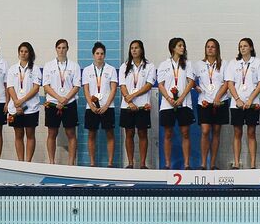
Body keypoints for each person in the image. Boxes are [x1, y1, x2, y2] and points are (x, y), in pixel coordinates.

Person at [158, 37, 196, 170]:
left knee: (185, 132)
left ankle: (186, 164)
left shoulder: (188, 64)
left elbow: (191, 82)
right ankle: (167, 164)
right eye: (179, 45)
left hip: (184, 103)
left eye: (183, 46)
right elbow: (161, 85)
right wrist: (169, 99)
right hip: (167, 104)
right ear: (173, 48)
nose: (182, 48)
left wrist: (181, 98)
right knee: (168, 133)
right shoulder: (164, 65)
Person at [228, 38, 260, 168]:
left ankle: (253, 163)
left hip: (252, 102)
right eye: (240, 46)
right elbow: (230, 83)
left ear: (251, 47)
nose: (242, 48)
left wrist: (250, 99)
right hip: (236, 103)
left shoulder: (258, 62)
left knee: (251, 132)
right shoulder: (233, 63)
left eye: (245, 46)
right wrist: (238, 99)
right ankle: (237, 163)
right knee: (237, 132)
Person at [41, 39, 80, 165]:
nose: (61, 50)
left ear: (67, 49)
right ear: (56, 49)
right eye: (59, 47)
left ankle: (70, 163)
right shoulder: (49, 65)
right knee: (52, 132)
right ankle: (51, 162)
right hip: (53, 103)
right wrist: (59, 98)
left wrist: (66, 99)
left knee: (71, 133)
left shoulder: (74, 66)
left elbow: (76, 85)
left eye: (64, 47)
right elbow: (46, 86)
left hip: (69, 103)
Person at [118, 40, 154, 169]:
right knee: (129, 133)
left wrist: (133, 96)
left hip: (142, 105)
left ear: (141, 50)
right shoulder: (124, 66)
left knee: (142, 133)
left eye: (136, 48)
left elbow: (148, 85)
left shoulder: (149, 66)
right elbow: (122, 85)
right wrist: (130, 101)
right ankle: (130, 163)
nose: (134, 50)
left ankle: (143, 164)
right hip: (127, 105)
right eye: (132, 48)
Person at [194, 38, 228, 170]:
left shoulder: (224, 64)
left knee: (216, 131)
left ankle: (213, 163)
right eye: (208, 46)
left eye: (213, 47)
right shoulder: (199, 65)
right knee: (205, 131)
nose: (210, 49)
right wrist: (195, 86)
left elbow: (227, 82)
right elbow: (190, 79)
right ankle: (203, 163)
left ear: (217, 49)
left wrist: (218, 97)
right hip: (204, 102)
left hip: (220, 101)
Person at [82, 43, 117, 167]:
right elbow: (86, 90)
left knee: (110, 134)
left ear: (105, 55)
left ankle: (110, 163)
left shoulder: (111, 69)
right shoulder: (87, 70)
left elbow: (113, 89)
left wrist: (106, 105)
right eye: (97, 53)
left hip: (107, 107)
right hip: (91, 108)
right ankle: (92, 163)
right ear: (93, 55)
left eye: (102, 53)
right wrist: (91, 105)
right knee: (91, 134)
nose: (100, 56)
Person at [6, 42, 41, 163]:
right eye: (21, 51)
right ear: (18, 53)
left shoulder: (35, 69)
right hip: (15, 107)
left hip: (31, 107)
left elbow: (36, 88)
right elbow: (10, 87)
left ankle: (28, 162)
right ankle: (20, 162)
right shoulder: (12, 69)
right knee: (18, 135)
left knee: (30, 135)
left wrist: (22, 101)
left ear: (30, 53)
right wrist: (16, 102)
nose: (23, 54)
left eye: (26, 51)